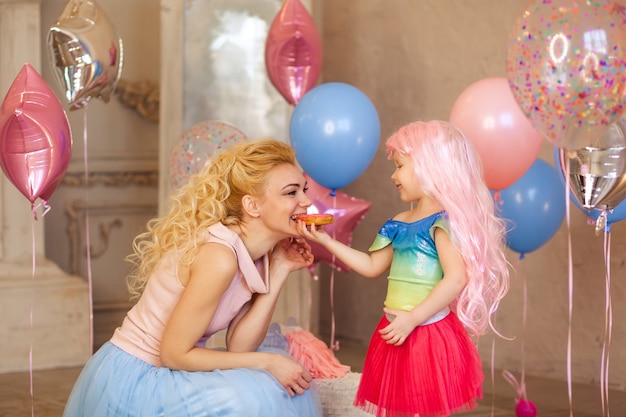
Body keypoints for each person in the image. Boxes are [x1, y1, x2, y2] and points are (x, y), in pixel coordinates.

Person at [63, 139, 323, 417]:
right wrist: (268, 362)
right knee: (244, 399)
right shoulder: (219, 257)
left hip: (175, 367)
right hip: (140, 373)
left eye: (303, 190)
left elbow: (239, 346)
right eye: (291, 193)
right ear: (253, 205)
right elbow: (174, 354)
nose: (306, 201)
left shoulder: (261, 254)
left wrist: (281, 268)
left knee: (283, 389)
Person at [296, 120, 510, 417]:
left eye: (400, 166)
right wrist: (325, 240)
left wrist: (413, 319)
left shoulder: (442, 222)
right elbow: (372, 266)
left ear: (429, 167)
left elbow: (455, 278)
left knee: (427, 406)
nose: (393, 175)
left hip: (426, 330)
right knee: (398, 407)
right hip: (395, 328)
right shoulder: (396, 223)